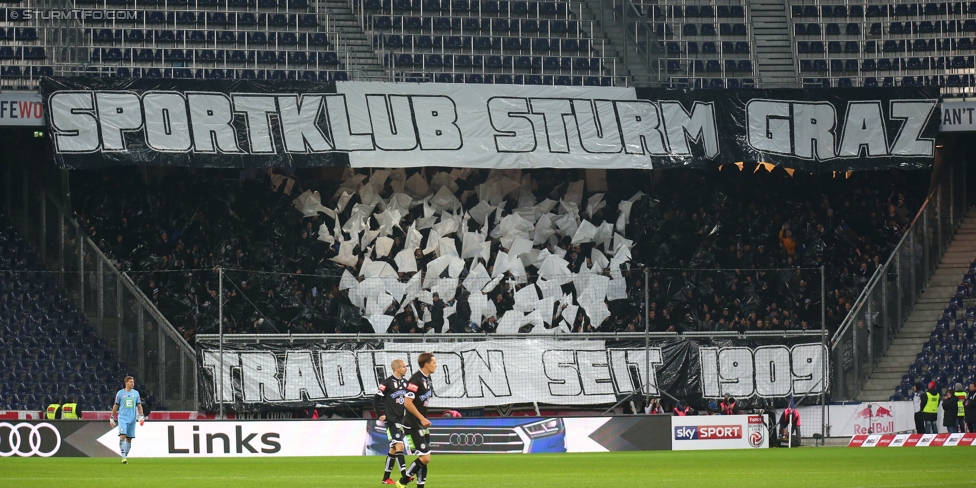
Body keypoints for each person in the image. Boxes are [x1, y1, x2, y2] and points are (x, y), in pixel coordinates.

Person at [396, 352, 437, 488]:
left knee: (424, 458)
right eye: (434, 363)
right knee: (425, 458)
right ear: (426, 364)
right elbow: (407, 402)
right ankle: (402, 481)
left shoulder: (426, 379)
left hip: (421, 423)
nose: (435, 365)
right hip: (412, 424)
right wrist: (421, 418)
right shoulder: (415, 380)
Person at [373, 359, 410, 485]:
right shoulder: (386, 383)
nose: (406, 369)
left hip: (402, 420)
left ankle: (386, 478)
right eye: (404, 367)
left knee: (393, 450)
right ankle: (405, 476)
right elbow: (375, 399)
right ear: (397, 369)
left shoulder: (406, 383)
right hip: (391, 420)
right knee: (400, 446)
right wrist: (380, 415)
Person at [110, 376, 145, 464]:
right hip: (122, 418)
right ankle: (123, 457)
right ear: (126, 383)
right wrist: (112, 417)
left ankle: (124, 455)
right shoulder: (120, 393)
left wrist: (141, 416)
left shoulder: (136, 393)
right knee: (123, 435)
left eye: (133, 382)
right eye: (130, 382)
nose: (132, 383)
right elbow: (116, 405)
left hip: (132, 419)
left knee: (129, 439)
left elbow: (139, 405)